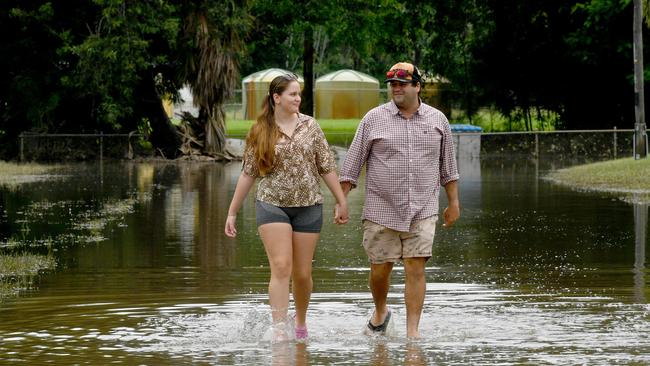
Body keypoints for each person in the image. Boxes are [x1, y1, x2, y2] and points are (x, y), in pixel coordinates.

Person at [339, 62, 460, 339]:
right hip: (381, 209)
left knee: (415, 266)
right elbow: (352, 165)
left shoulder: (438, 120)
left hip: (423, 207)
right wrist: (341, 200)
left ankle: (412, 332)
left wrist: (453, 203)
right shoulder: (373, 119)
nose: (396, 88)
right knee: (380, 269)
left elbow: (448, 168)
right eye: (392, 84)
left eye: (402, 84)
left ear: (417, 86)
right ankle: (381, 310)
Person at [225, 73, 349, 342]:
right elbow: (248, 173)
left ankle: (300, 324)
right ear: (276, 97)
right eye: (292, 94)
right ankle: (279, 328)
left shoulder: (311, 126)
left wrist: (340, 200)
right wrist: (232, 211)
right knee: (281, 266)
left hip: (308, 206)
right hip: (272, 205)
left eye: (299, 94)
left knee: (302, 274)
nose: (298, 99)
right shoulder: (260, 130)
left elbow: (326, 166)